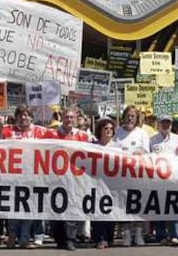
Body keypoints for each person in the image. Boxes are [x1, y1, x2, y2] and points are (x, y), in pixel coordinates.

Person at [43, 107, 90, 251]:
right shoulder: (51, 135)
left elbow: (97, 149)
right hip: (56, 179)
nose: (69, 120)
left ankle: (70, 239)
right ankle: (59, 239)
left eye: (71, 117)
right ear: (62, 118)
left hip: (74, 179)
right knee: (56, 211)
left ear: (75, 119)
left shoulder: (83, 136)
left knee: (71, 209)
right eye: (66, 117)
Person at [2, 105, 47, 249]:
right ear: (16, 117)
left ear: (32, 118)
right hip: (13, 177)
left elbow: (60, 140)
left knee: (29, 208)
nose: (23, 118)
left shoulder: (41, 131)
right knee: (13, 209)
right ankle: (12, 235)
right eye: (20, 115)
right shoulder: (7, 131)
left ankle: (24, 238)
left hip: (33, 177)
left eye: (27, 115)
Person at [150, 114, 178, 246]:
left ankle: (175, 235)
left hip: (174, 179)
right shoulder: (152, 140)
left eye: (168, 123)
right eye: (163, 123)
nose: (165, 125)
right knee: (159, 207)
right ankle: (161, 236)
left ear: (171, 125)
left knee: (173, 206)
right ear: (158, 124)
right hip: (157, 180)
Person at [113, 105, 150, 246]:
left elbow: (147, 152)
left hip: (138, 174)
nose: (130, 118)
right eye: (128, 115)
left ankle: (139, 234)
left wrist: (139, 154)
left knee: (138, 204)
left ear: (137, 118)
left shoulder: (142, 133)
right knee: (124, 204)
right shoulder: (117, 132)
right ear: (124, 116)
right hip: (122, 174)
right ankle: (127, 234)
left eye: (133, 116)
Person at [91, 118, 117, 249]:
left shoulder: (118, 147)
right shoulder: (92, 146)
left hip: (112, 185)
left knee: (110, 211)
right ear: (100, 130)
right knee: (97, 211)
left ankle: (109, 237)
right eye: (105, 129)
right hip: (96, 183)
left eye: (110, 129)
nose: (108, 131)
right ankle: (100, 238)